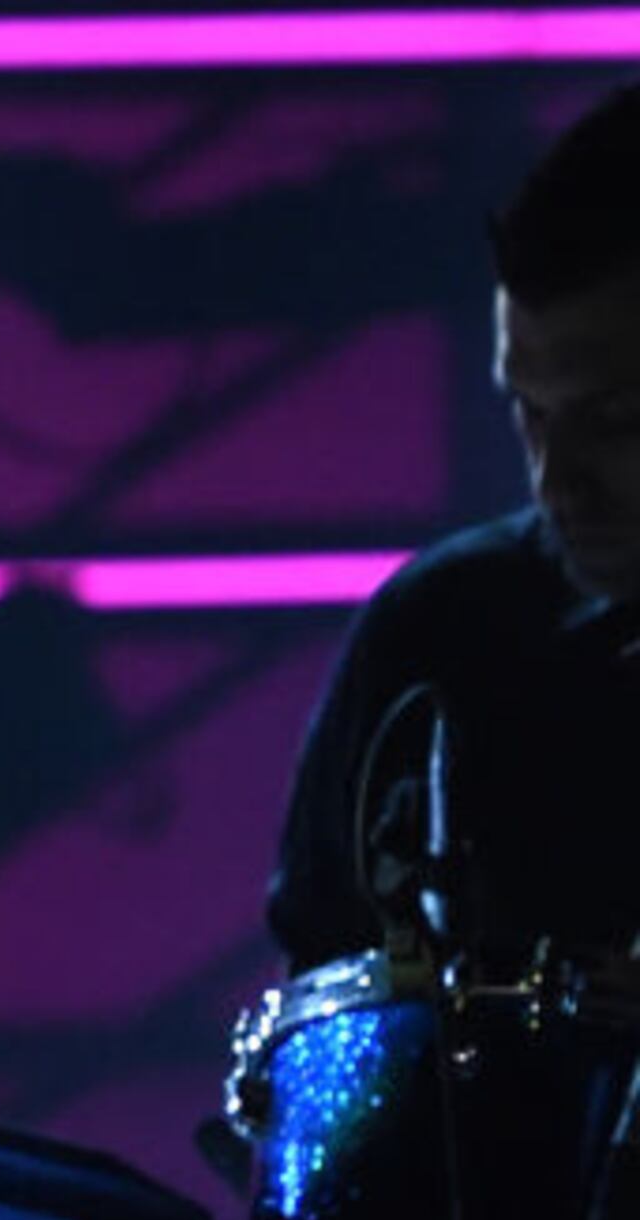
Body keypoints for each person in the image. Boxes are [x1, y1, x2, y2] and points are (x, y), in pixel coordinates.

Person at [268, 82, 640, 971]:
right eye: (531, 414)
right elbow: (318, 1027)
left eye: (618, 419)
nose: (559, 480)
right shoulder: (440, 636)